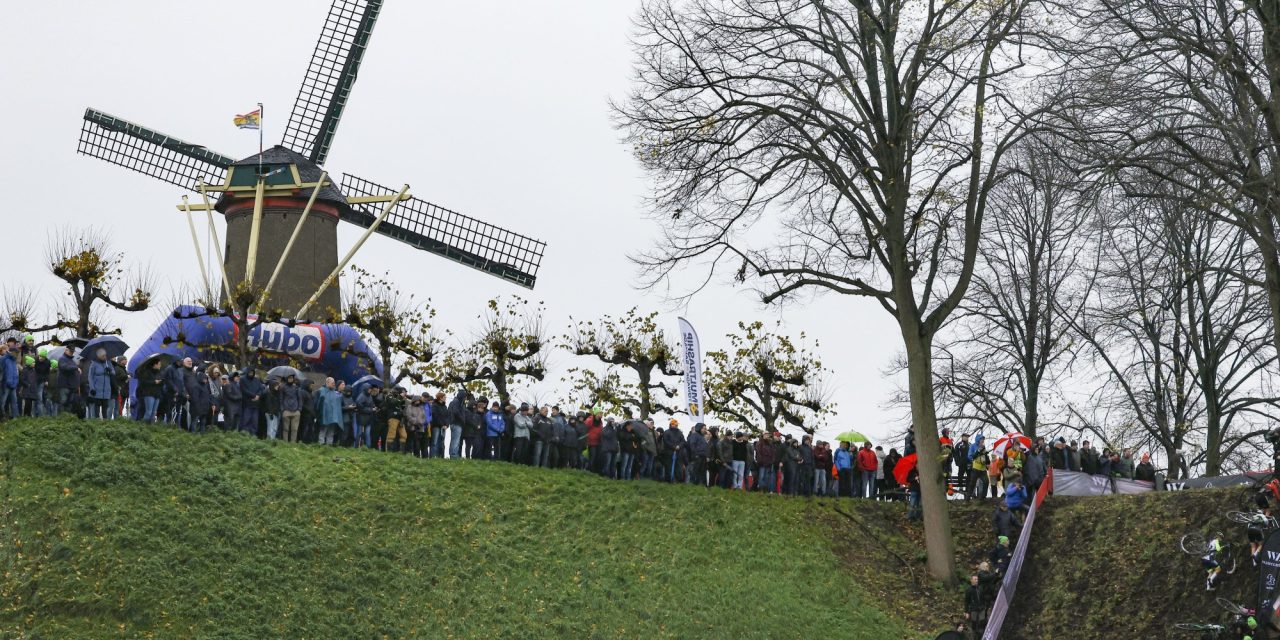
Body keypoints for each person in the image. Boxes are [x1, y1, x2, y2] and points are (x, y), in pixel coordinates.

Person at [85, 348, 114, 420]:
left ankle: (105, 422)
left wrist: (110, 371)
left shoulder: (108, 363)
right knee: (96, 408)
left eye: (105, 355)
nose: (105, 357)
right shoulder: (94, 364)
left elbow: (113, 373)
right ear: (99, 356)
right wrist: (92, 388)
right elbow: (90, 376)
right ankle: (97, 421)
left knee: (105, 408)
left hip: (106, 390)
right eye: (103, 356)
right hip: (97, 389)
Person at [135, 358, 165, 423]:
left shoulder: (160, 372)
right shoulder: (147, 372)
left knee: (154, 413)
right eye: (159, 364)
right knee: (149, 412)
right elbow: (143, 382)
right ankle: (143, 427)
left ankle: (151, 428)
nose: (160, 365)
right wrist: (154, 382)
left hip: (157, 394)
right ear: (155, 364)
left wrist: (161, 382)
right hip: (149, 393)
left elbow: (162, 382)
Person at [239, 369, 265, 436]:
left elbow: (261, 389)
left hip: (255, 404)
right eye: (250, 372)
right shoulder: (243, 379)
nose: (251, 373)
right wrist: (254, 396)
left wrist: (258, 395)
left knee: (254, 422)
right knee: (246, 421)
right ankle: (245, 436)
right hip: (247, 404)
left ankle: (253, 436)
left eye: (252, 372)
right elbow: (244, 390)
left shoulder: (256, 380)